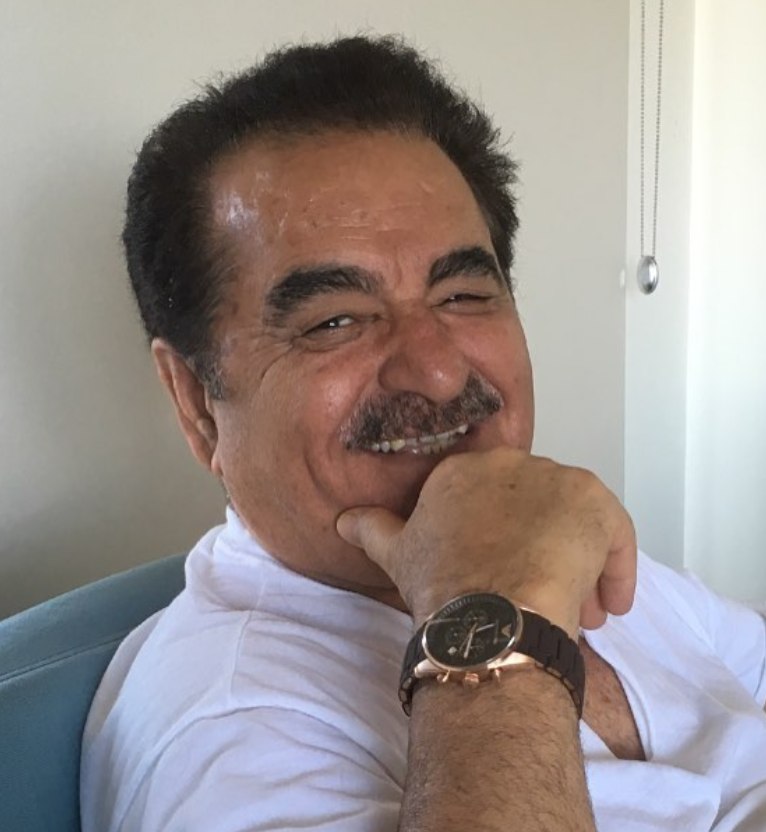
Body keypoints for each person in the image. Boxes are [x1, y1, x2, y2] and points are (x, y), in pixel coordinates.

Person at [80, 35, 766, 831]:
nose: (438, 372)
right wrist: (494, 615)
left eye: (463, 295)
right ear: (197, 402)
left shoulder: (543, 530)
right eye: (335, 320)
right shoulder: (224, 735)